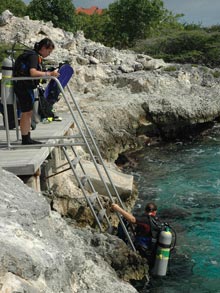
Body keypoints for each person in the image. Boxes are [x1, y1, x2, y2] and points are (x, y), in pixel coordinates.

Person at [14, 38, 59, 145]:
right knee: (26, 112)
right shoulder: (34, 56)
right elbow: (33, 72)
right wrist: (50, 74)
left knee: (27, 112)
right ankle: (26, 139)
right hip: (23, 87)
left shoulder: (32, 55)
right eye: (49, 51)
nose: (48, 54)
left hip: (22, 86)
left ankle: (27, 137)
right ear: (43, 48)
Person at [111, 202, 162, 268]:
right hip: (152, 251)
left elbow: (132, 219)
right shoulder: (157, 221)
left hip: (143, 251)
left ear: (145, 210)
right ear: (155, 212)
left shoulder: (146, 220)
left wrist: (118, 208)